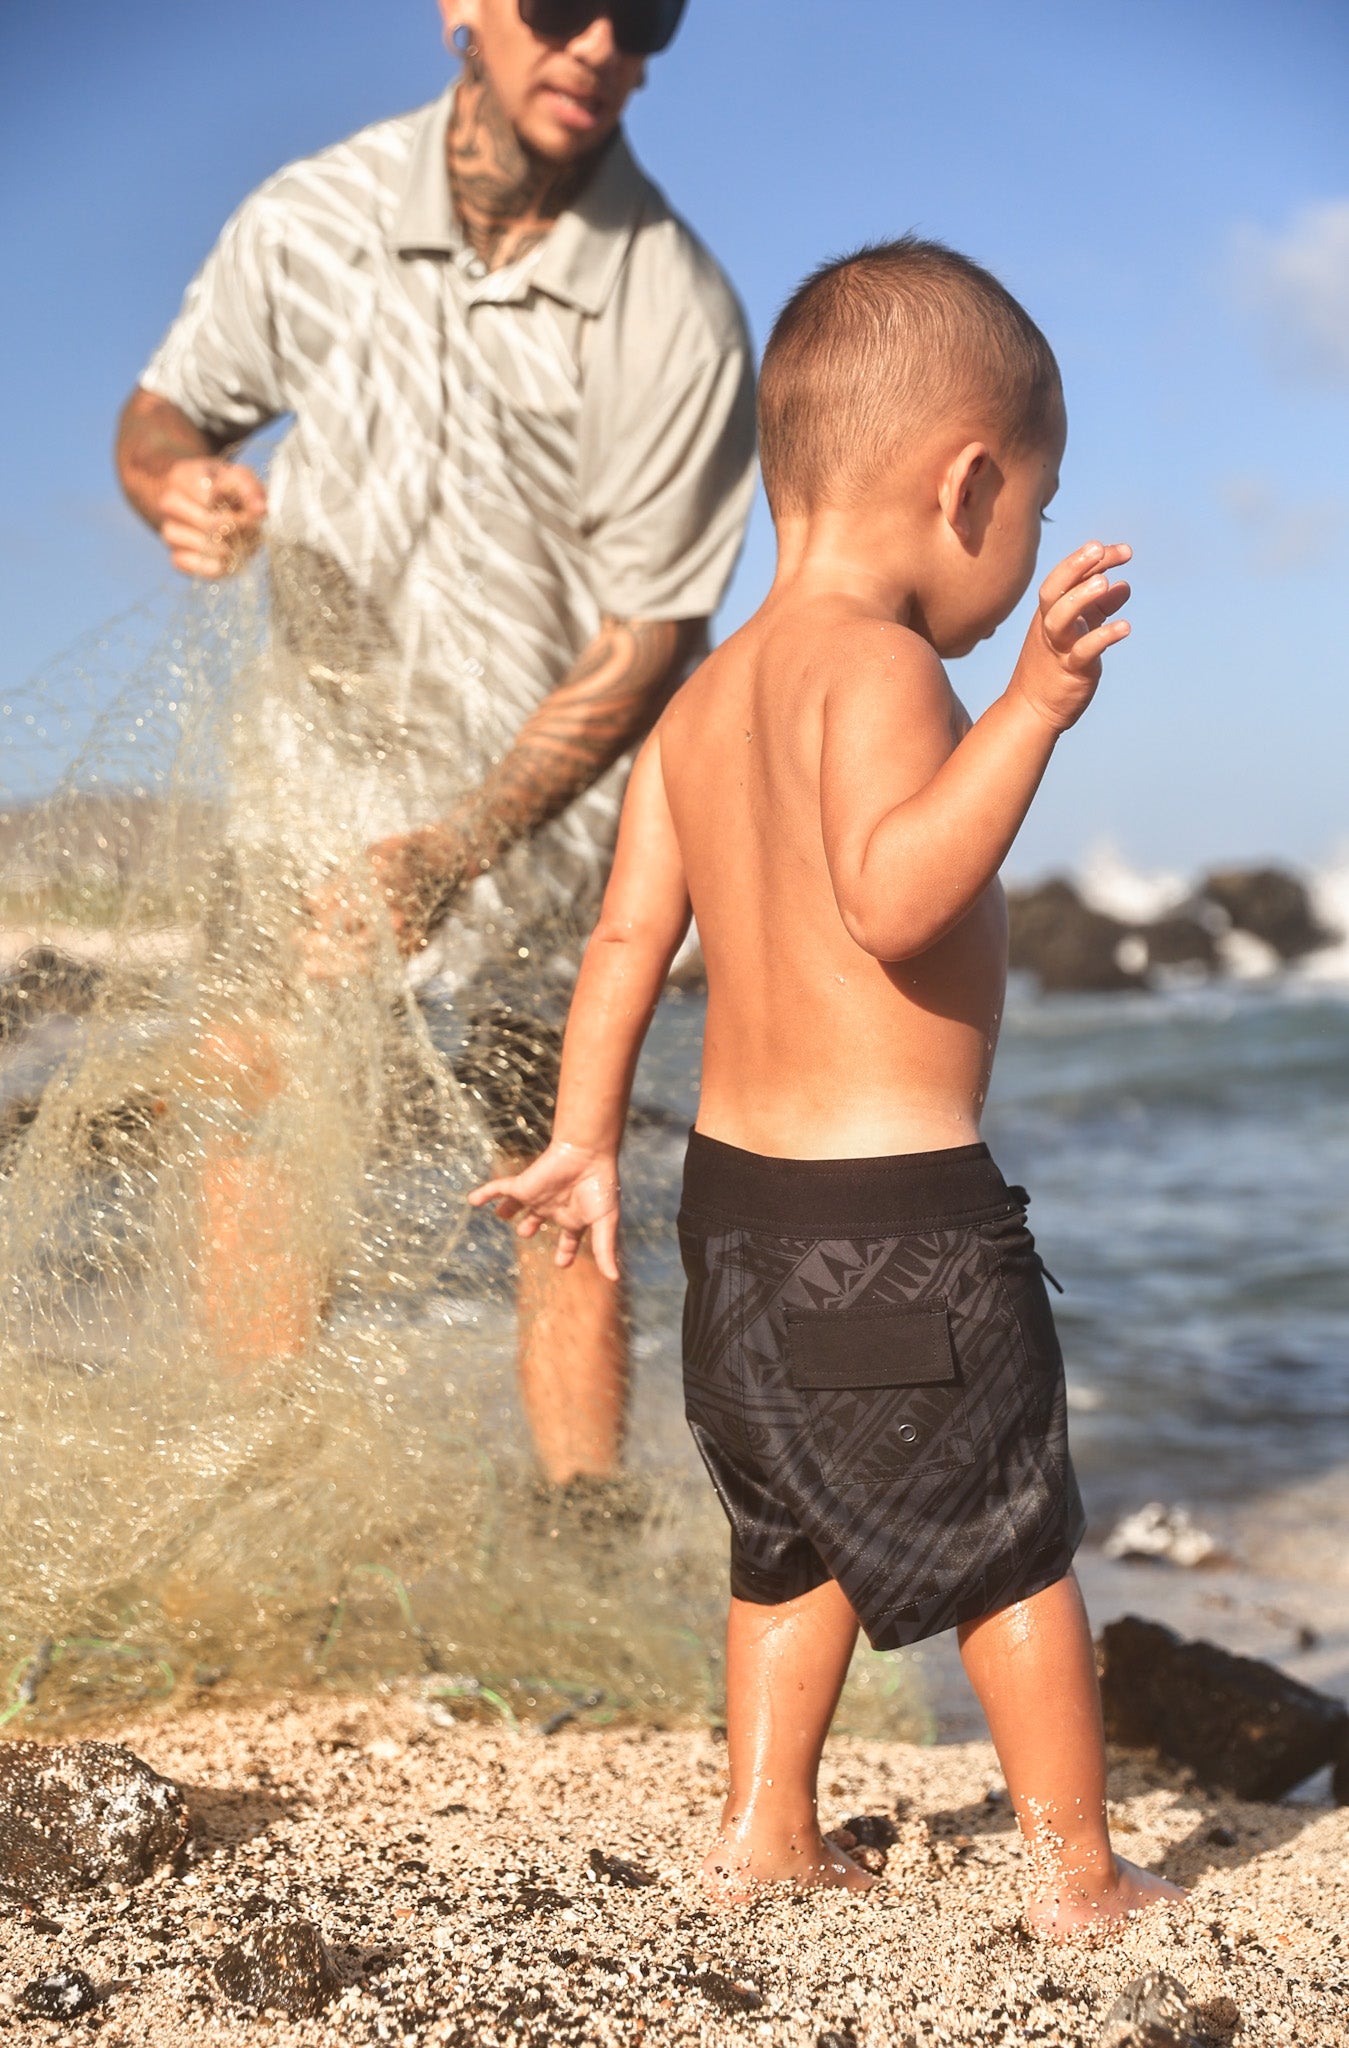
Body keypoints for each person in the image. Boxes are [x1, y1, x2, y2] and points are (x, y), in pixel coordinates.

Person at [471, 237, 1188, 1931]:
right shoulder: (887, 671)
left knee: (781, 1539)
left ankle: (762, 1828)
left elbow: (625, 944)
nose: (1016, 559)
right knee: (1014, 1536)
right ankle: (1075, 1870)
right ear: (969, 485)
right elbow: (892, 890)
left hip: (732, 1227)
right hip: (897, 1227)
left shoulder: (698, 706)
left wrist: (583, 1146)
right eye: (1032, 509)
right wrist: (1029, 712)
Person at [113, 0, 755, 1484]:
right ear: (462, 7)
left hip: (554, 840)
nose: (598, 39)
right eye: (560, 5)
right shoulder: (309, 215)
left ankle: (576, 1529)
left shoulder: (677, 311)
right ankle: (250, 1500)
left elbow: (647, 641)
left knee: (559, 1177)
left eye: (642, 9)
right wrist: (175, 484)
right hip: (304, 793)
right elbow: (162, 417)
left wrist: (463, 846)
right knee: (256, 1123)